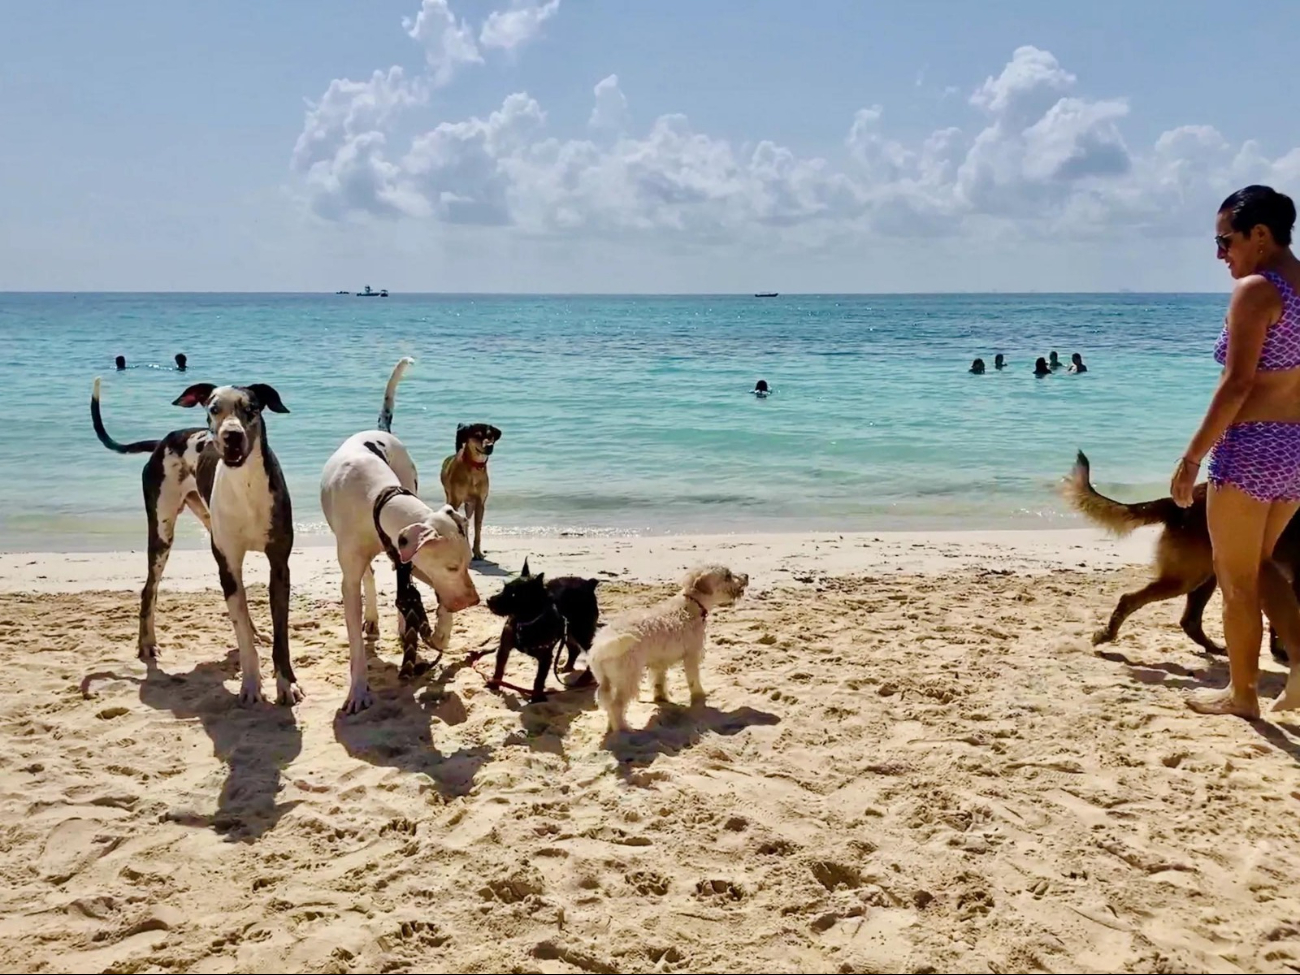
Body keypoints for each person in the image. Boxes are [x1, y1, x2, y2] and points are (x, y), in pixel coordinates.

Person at [1172, 184, 1300, 718]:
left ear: (1261, 236)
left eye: (1226, 240)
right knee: (1263, 564)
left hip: (1250, 448)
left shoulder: (1257, 289)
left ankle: (1242, 693)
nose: (1220, 253)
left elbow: (1237, 384)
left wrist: (1191, 457)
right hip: (1296, 449)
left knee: (1236, 577)